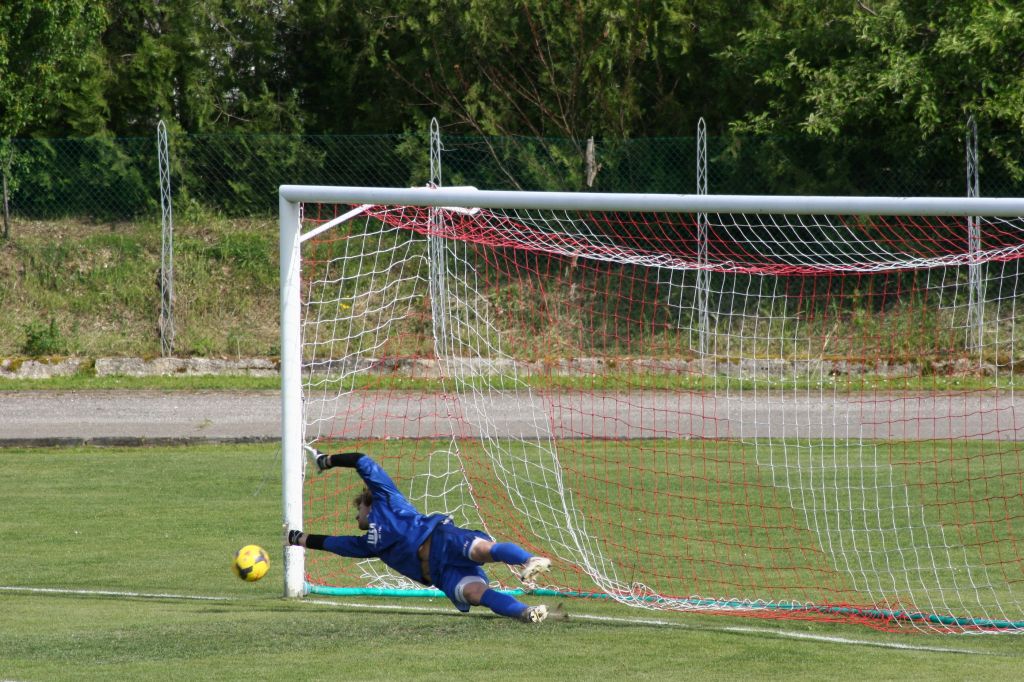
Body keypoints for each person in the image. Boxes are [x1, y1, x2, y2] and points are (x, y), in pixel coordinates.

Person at [287, 448, 553, 623]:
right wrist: (295, 538)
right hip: (440, 574)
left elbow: (361, 460)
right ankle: (525, 612)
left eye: (358, 509)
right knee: (475, 593)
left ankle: (530, 559)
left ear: (367, 503)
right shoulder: (368, 544)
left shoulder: (386, 498)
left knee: (482, 549)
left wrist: (327, 461)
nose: (356, 516)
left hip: (442, 539)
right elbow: (333, 544)